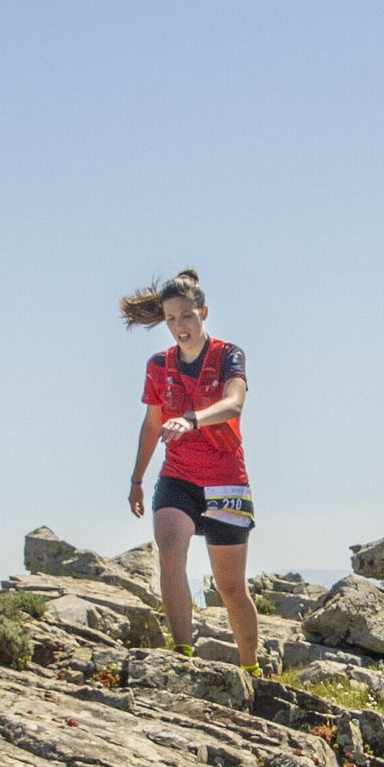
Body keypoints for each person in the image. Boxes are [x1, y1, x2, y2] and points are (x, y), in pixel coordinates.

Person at [121, 268, 263, 671]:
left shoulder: (227, 355)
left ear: (203, 312)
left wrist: (192, 419)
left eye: (186, 316)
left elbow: (234, 404)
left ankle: (251, 670)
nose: (179, 327)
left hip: (225, 481)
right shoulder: (158, 365)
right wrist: (136, 480)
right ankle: (184, 658)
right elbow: (151, 425)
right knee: (170, 554)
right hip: (177, 477)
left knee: (231, 587)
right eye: (170, 319)